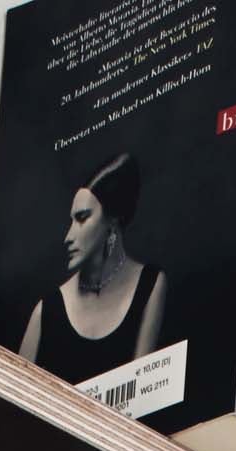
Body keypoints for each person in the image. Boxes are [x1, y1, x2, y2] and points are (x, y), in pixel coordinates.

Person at [19, 152, 168, 384]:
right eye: (71, 221)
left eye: (82, 218)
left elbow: (141, 393)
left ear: (112, 221)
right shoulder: (46, 311)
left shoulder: (151, 284)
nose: (68, 236)